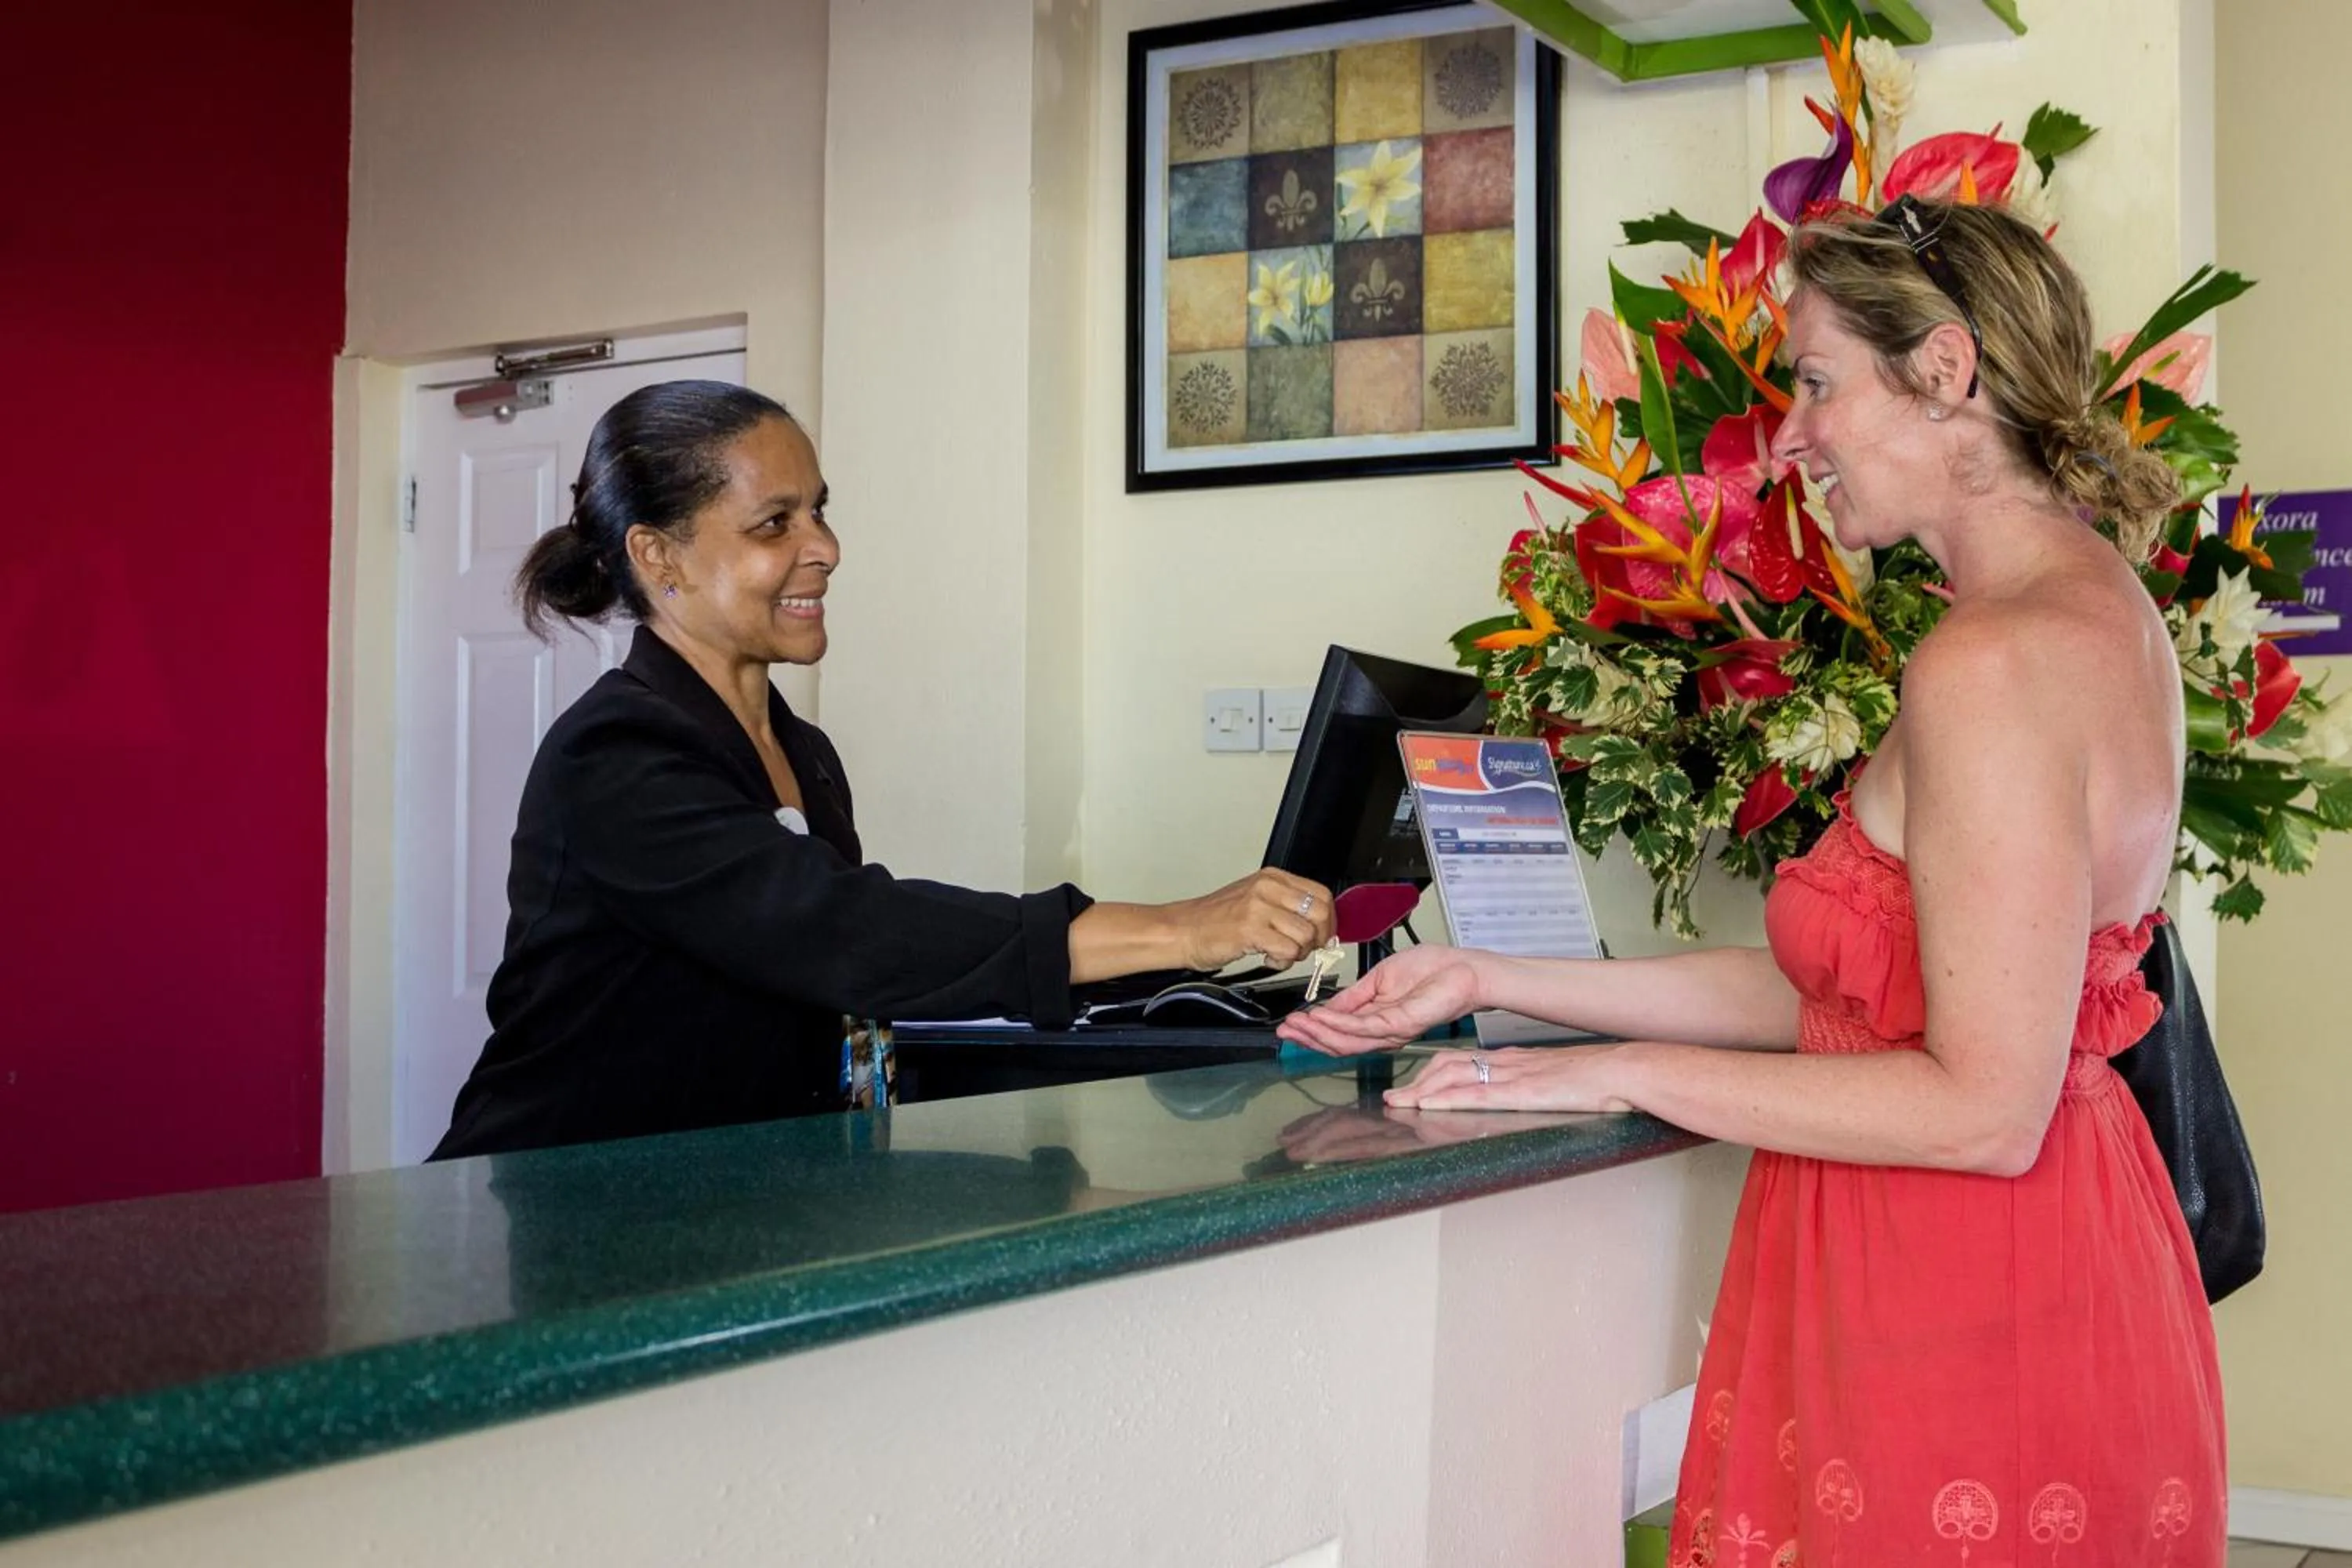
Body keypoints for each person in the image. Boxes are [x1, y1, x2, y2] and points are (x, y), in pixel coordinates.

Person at [1279, 200, 2225, 1563]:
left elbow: (1981, 1110)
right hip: (2027, 1270)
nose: (1792, 432)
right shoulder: (2094, 612)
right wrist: (1494, 982)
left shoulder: (1991, 664)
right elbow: (1839, 996)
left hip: (1966, 1304)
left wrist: (1615, 1073)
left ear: (1947, 372)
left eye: (1821, 381)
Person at [434, 381, 1331, 1159]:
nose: (824, 546)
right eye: (774, 522)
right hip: (563, 1208)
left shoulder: (802, 753)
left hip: (724, 1204)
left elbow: (833, 987)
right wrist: (1181, 929)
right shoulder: (616, 755)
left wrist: (1198, 988)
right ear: (659, 555)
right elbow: (848, 933)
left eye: (819, 509)